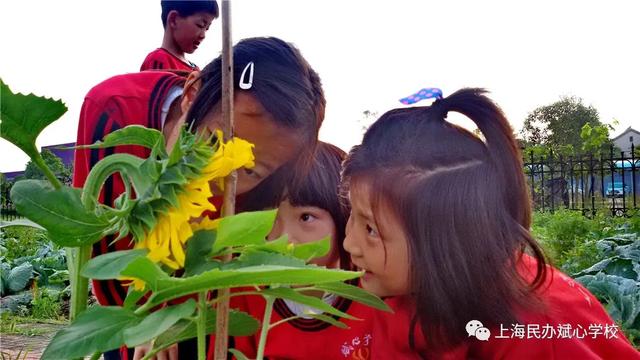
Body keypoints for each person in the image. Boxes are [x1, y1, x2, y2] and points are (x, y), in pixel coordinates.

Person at [73, 36, 325, 360]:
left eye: (249, 171)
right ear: (192, 93)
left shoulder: (263, 189)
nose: (218, 178)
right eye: (214, 143)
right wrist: (144, 323)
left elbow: (222, 266)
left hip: (198, 307)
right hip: (128, 296)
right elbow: (100, 243)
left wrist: (172, 318)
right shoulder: (114, 109)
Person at [341, 88, 639, 358]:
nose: (349, 244)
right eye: (352, 215)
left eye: (370, 229)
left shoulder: (541, 328)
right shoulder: (394, 294)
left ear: (448, 237)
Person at [227, 142, 377, 359]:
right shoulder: (246, 296)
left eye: (306, 217)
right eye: (268, 219)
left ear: (345, 216)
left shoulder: (374, 294)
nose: (285, 239)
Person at [140, 0, 219, 72]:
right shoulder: (158, 60)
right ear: (174, 20)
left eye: (207, 29)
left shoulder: (195, 69)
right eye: (200, 25)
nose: (203, 35)